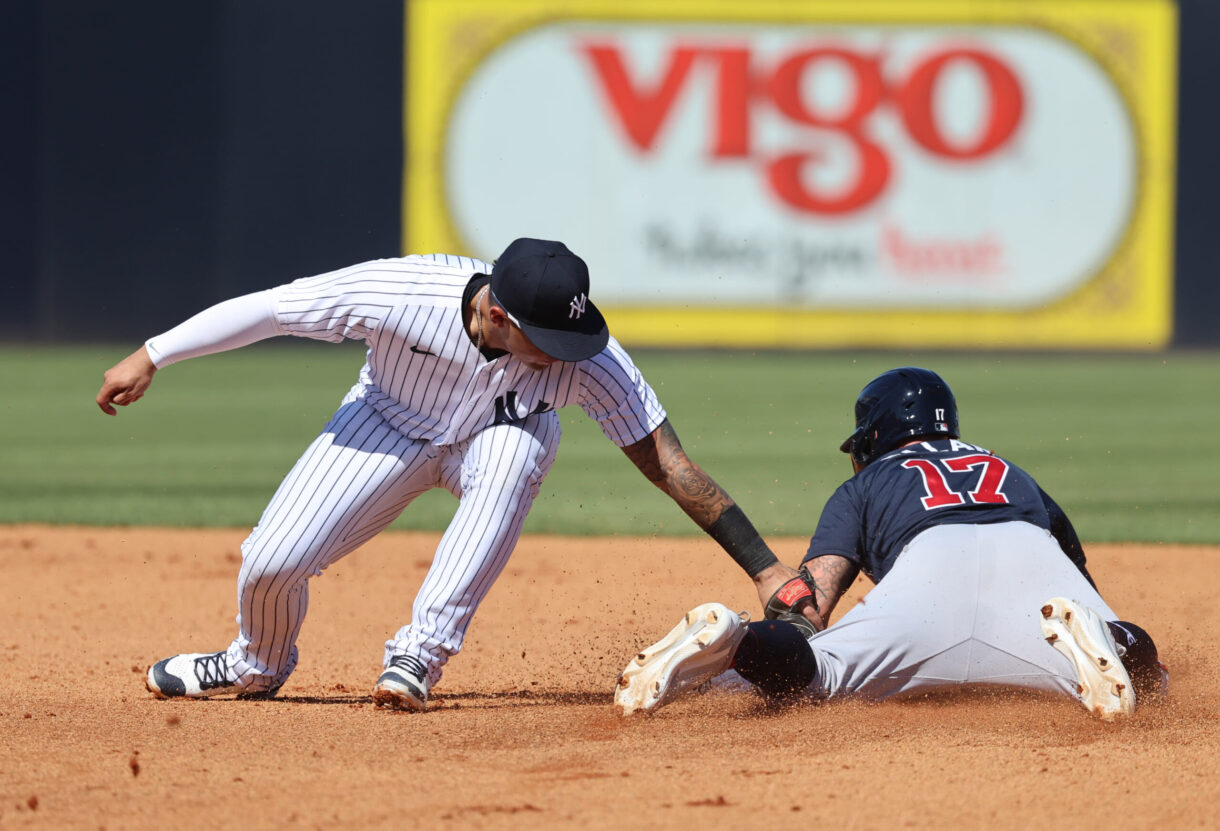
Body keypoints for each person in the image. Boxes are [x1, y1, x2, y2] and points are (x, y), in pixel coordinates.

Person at [96, 238, 798, 709]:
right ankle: (254, 661)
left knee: (518, 450)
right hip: (386, 423)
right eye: (545, 340)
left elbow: (670, 464)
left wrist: (766, 570)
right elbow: (273, 310)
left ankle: (418, 655)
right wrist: (154, 353)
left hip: (494, 439)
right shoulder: (403, 291)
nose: (563, 354)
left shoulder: (588, 356)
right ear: (496, 314)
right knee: (270, 561)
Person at [615, 367, 1168, 721]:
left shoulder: (866, 482)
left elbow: (809, 603)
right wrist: (1103, 619)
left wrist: (774, 638)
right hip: (1033, 569)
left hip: (927, 578)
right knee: (1137, 662)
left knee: (817, 674)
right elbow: (1075, 570)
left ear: (872, 439)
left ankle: (733, 639)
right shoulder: (1009, 469)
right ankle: (1115, 643)